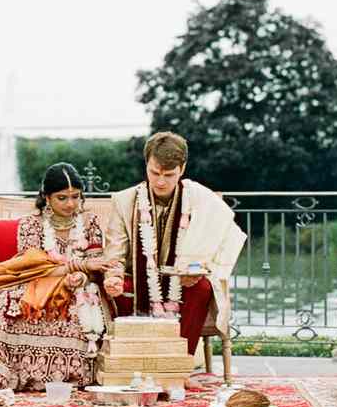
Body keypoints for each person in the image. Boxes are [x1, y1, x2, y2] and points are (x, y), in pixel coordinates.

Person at [0, 163, 110, 394]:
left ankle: (65, 375)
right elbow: (37, 269)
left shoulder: (89, 223)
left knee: (76, 309)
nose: (70, 204)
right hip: (37, 283)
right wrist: (76, 265)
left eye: (75, 196)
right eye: (62, 198)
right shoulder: (31, 225)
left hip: (81, 287)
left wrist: (82, 275)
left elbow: (96, 262)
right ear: (47, 197)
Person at [102, 132, 246, 378]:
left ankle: (180, 369)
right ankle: (133, 366)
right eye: (154, 173)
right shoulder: (124, 200)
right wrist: (113, 276)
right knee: (118, 288)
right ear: (146, 165)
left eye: (169, 175)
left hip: (181, 280)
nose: (160, 182)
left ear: (182, 169)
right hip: (137, 279)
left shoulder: (200, 199)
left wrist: (198, 269)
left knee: (201, 288)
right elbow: (115, 250)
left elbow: (221, 242)